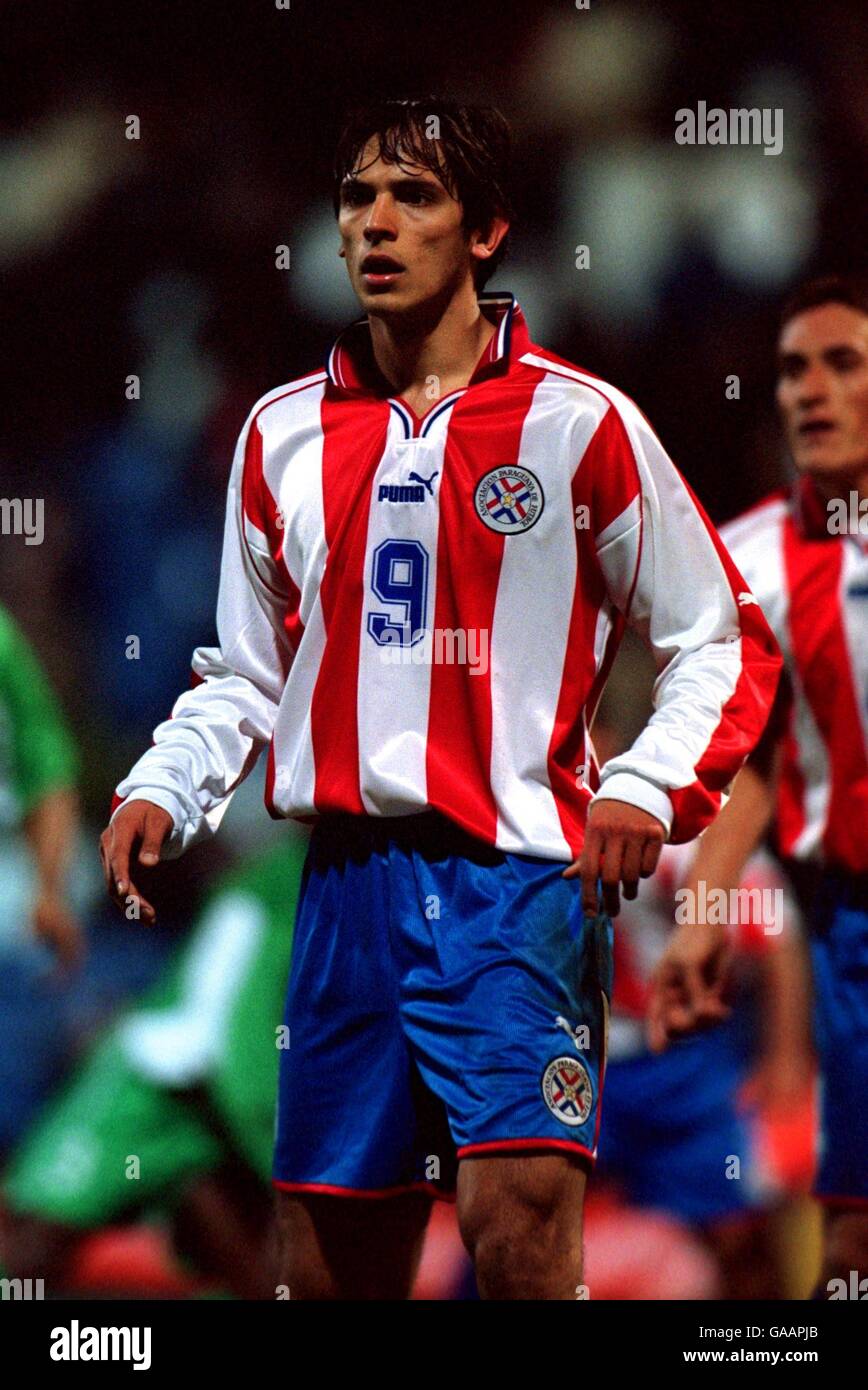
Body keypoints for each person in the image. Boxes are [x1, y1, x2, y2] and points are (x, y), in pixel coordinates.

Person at [99, 96, 781, 1300]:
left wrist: (643, 782)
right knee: (323, 1262)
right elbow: (250, 670)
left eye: (413, 197)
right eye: (358, 197)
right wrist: (166, 780)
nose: (376, 222)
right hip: (343, 890)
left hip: (514, 881)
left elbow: (717, 636)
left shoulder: (579, 423)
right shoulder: (279, 436)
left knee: (514, 1223)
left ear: (485, 232)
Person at [648, 274, 868, 1297]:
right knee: (851, 1238)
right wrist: (701, 915)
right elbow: (747, 768)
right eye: (790, 370)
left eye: (841, 364)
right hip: (849, 927)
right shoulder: (750, 565)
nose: (809, 392)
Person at [2, 835, 305, 1299]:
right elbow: (227, 1029)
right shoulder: (275, 885)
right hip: (158, 1081)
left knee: (263, 1275)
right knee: (34, 1244)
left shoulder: (349, 887)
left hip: (219, 1113)